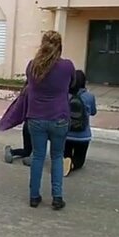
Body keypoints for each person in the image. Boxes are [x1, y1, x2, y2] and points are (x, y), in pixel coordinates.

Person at [25, 30, 75, 210]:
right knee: (57, 157)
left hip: (36, 117)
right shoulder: (67, 66)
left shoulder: (32, 66)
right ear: (60, 46)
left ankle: (34, 196)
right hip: (59, 117)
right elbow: (72, 84)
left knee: (38, 156)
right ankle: (57, 197)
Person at [64, 70, 97, 176]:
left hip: (66, 134)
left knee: (65, 154)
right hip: (83, 136)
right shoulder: (89, 96)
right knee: (80, 160)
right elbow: (93, 112)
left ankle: (66, 161)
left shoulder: (65, 95)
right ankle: (73, 164)